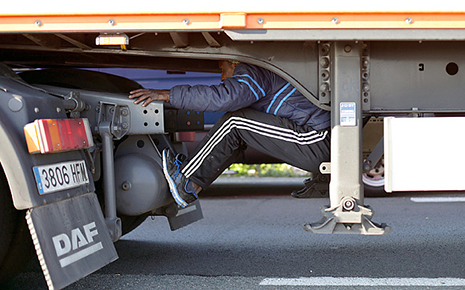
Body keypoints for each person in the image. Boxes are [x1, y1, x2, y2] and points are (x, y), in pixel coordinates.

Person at [129, 60, 331, 208]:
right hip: (318, 138)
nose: (223, 77)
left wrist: (168, 95)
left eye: (222, 69)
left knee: (235, 122)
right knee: (239, 127)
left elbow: (223, 98)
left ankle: (187, 182)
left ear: (234, 62)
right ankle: (191, 186)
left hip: (318, 139)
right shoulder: (265, 73)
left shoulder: (252, 71)